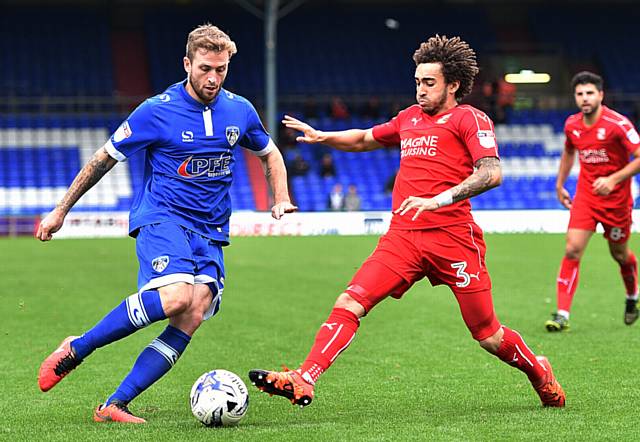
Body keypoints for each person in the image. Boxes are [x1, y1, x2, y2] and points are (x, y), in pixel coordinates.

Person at [249, 35, 565, 409]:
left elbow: (492, 173)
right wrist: (325, 136)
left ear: (454, 84)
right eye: (417, 82)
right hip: (402, 238)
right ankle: (304, 378)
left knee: (487, 334)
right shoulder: (409, 119)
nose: (420, 90)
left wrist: (439, 199)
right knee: (350, 301)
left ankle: (540, 372)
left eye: (429, 83)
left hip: (453, 239)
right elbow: (366, 138)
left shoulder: (470, 118)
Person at [35, 24, 296, 423]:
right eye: (206, 68)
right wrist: (60, 210)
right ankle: (78, 347)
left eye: (221, 70)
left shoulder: (239, 110)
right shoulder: (157, 110)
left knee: (193, 312)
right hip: (163, 217)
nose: (213, 78)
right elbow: (103, 159)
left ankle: (114, 405)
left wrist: (280, 198)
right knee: (175, 296)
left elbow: (270, 152)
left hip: (210, 230)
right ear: (187, 63)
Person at [545, 71, 640, 332]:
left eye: (589, 93)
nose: (584, 98)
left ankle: (633, 296)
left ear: (600, 95)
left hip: (617, 201)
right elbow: (568, 151)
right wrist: (559, 184)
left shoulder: (618, 124)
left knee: (619, 254)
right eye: (579, 94)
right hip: (586, 197)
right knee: (572, 249)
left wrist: (614, 179)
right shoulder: (572, 125)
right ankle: (562, 313)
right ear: (575, 97)